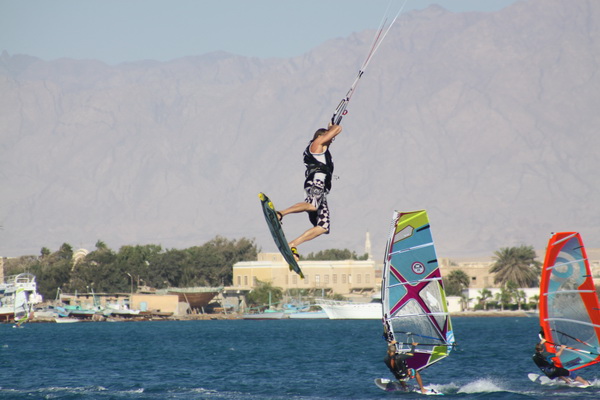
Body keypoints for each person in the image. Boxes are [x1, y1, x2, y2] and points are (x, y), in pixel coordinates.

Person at [276, 123, 342, 261]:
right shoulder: (316, 145)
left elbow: (333, 134)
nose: (331, 141)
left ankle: (292, 245)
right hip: (316, 180)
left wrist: (330, 131)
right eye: (329, 138)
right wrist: (332, 128)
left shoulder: (323, 150)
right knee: (312, 205)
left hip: (322, 188)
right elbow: (338, 129)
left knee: (323, 227)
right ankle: (280, 213)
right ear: (320, 137)